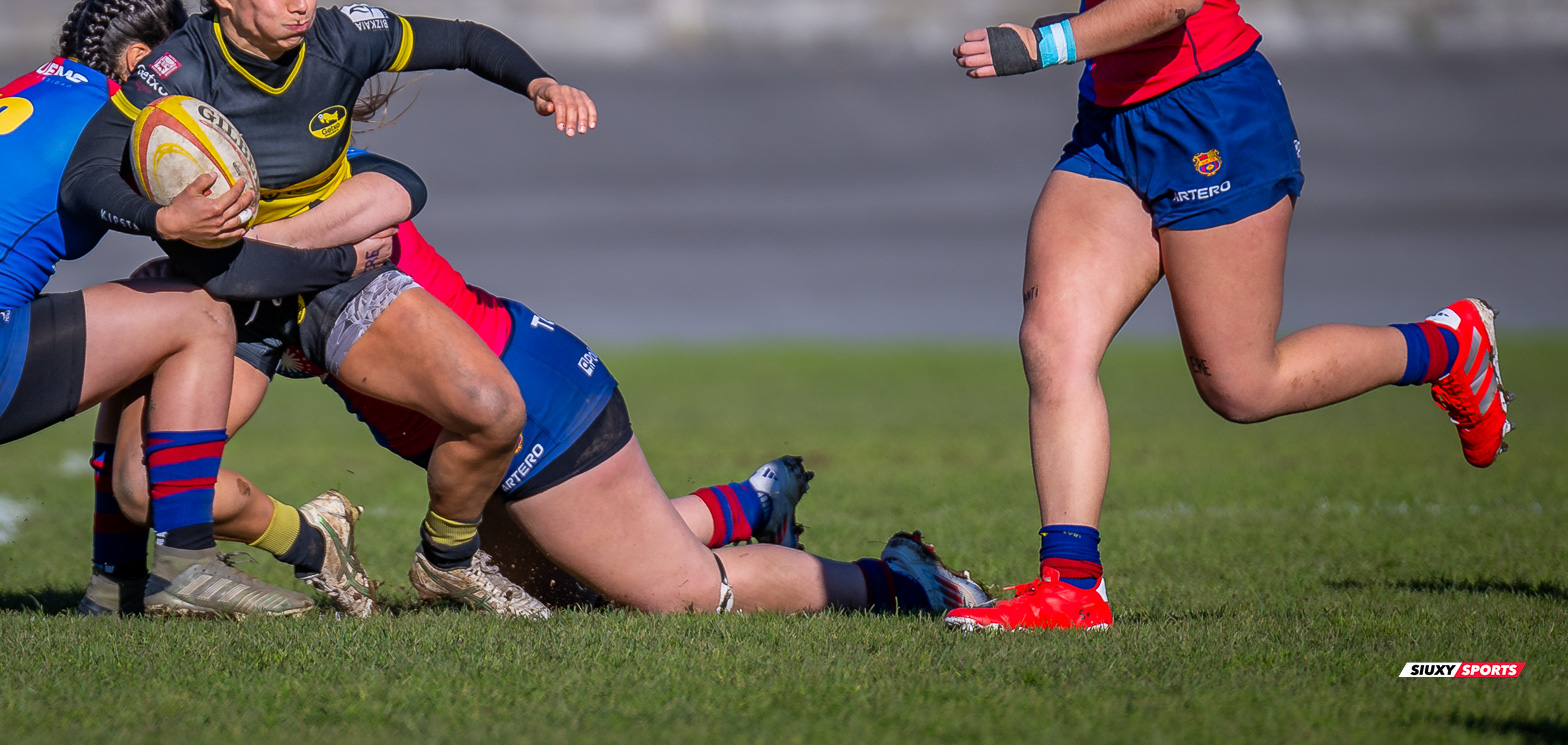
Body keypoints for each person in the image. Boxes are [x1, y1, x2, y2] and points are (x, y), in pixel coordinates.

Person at [946, 0, 1510, 633]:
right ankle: (1071, 591)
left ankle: (1445, 345)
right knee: (1051, 340)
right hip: (1117, 130)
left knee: (1241, 385)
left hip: (1211, 122)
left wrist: (1042, 42)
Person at [61, 0, 601, 614]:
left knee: (494, 408)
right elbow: (84, 177)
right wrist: (163, 220)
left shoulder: (343, 38)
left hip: (340, 278)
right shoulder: (178, 68)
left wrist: (540, 83)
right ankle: (312, 539)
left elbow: (466, 41)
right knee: (146, 489)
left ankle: (448, 557)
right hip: (239, 292)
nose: (303, 2)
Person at [103, 215, 996, 619]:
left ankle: (910, 584)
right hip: (491, 436)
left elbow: (394, 182)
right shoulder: (251, 285)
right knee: (575, 579)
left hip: (540, 411)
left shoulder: (328, 211)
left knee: (685, 593)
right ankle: (749, 502)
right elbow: (185, 456)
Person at [0, 0, 332, 619]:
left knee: (155, 306)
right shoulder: (110, 113)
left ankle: (116, 583)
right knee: (201, 313)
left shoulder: (39, 90)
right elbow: (225, 249)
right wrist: (342, 259)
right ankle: (188, 561)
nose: (186, 80)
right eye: (176, 62)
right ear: (137, 62)